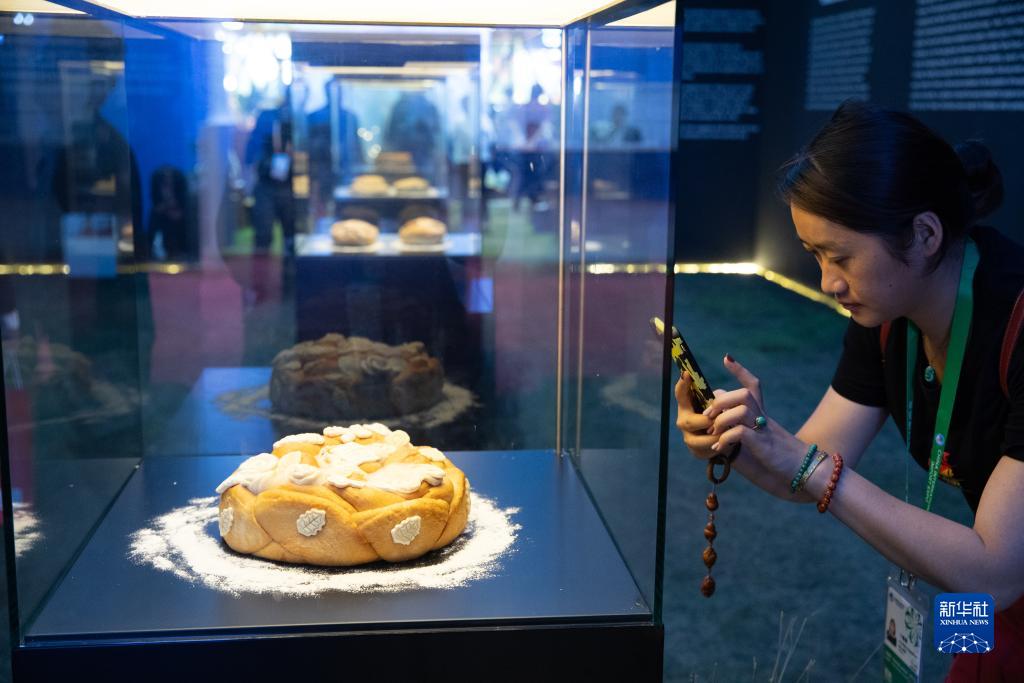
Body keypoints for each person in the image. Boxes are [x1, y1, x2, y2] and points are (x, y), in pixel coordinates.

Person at [675, 101, 1024, 681]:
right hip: (990, 595)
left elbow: (995, 572)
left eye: (840, 257)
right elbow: (803, 469)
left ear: (924, 234)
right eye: (815, 255)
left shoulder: (1015, 322)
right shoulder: (885, 315)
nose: (828, 282)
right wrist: (737, 440)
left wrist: (804, 463)